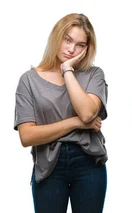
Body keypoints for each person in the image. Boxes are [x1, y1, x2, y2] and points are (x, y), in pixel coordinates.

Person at [14, 13, 108, 213]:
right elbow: (27, 136)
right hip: (48, 166)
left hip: (88, 162)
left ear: (87, 49)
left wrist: (67, 69)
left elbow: (87, 113)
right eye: (67, 40)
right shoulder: (29, 80)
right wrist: (74, 123)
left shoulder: (94, 75)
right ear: (56, 37)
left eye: (80, 45)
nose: (71, 49)